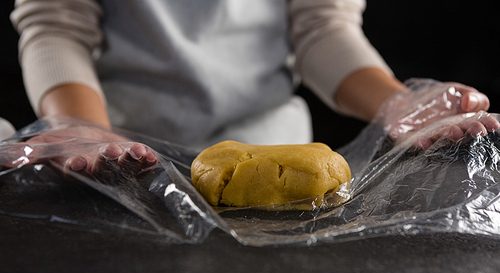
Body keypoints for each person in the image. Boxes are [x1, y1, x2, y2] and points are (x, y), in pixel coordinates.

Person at [9, 0, 497, 175]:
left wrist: (397, 101)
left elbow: (322, 29)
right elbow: (58, 27)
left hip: (275, 152)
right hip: (118, 155)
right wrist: (79, 126)